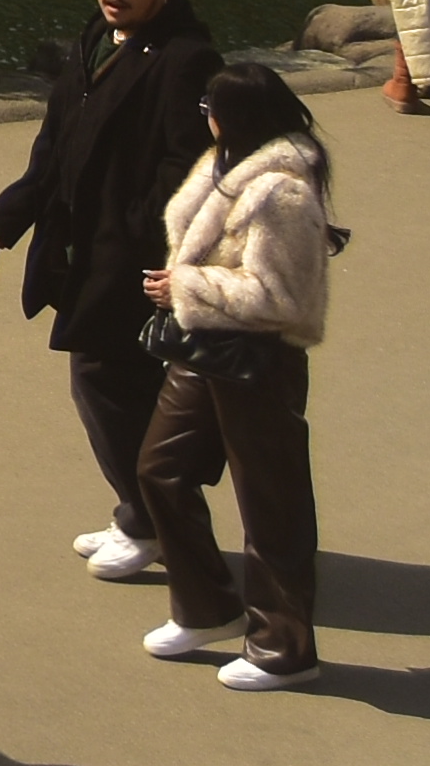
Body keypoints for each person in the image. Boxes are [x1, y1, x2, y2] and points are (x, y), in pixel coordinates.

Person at [0, 0, 222, 586]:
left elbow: (187, 165)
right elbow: (57, 142)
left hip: (133, 256)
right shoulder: (94, 38)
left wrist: (135, 234)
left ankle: (150, 523)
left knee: (109, 386)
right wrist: (8, 216)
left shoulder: (185, 58)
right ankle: (147, 513)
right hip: (77, 245)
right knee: (117, 388)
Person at [135, 63, 338, 692]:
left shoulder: (282, 193)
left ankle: (285, 647)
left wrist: (186, 285)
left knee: (270, 504)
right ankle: (207, 607)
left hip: (257, 359)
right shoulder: (223, 166)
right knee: (158, 468)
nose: (205, 116)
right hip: (205, 347)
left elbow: (280, 298)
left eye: (209, 106)